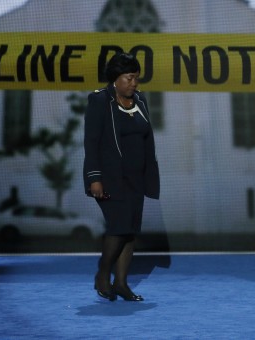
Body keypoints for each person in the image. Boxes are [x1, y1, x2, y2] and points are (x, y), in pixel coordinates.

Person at [83, 52, 160, 302]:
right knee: (118, 228)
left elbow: (147, 138)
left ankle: (122, 284)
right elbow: (91, 142)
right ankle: (103, 276)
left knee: (130, 232)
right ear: (116, 79)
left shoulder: (141, 100)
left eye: (136, 78)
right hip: (109, 178)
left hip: (136, 179)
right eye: (130, 78)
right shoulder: (99, 101)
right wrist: (94, 177)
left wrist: (149, 174)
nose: (135, 83)